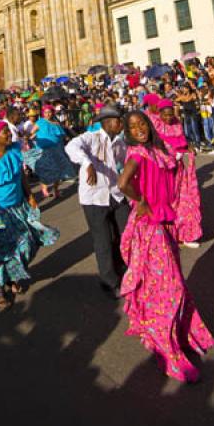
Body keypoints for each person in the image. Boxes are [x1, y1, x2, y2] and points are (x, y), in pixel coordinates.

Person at [117, 111, 214, 382]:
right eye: (133, 126)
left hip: (166, 221)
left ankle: (178, 335)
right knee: (170, 287)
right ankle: (168, 353)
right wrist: (142, 202)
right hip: (151, 227)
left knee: (164, 285)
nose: (139, 129)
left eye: (142, 124)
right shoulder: (137, 153)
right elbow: (122, 183)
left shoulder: (157, 150)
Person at [0, 122, 59, 310]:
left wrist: (30, 196)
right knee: (1, 252)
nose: (9, 135)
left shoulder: (14, 154)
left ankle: (11, 276)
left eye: (9, 132)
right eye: (5, 133)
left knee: (26, 244)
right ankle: (2, 287)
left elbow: (21, 177)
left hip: (18, 208)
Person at [65, 104, 130, 299]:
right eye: (119, 121)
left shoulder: (120, 141)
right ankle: (109, 281)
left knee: (125, 233)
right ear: (109, 122)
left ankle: (125, 268)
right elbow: (71, 147)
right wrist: (87, 163)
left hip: (116, 194)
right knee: (103, 240)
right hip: (94, 197)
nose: (122, 124)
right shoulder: (91, 137)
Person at [152, 98, 202, 248]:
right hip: (162, 171)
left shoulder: (177, 124)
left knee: (183, 200)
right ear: (159, 113)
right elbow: (155, 148)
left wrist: (188, 148)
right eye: (165, 115)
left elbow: (182, 142)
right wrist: (171, 155)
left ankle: (185, 233)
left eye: (170, 114)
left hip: (178, 170)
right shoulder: (155, 127)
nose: (168, 118)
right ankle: (167, 236)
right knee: (165, 202)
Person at [23, 104, 75, 199]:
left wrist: (69, 139)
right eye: (46, 112)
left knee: (58, 171)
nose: (48, 114)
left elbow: (63, 136)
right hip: (45, 150)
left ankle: (56, 190)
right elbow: (31, 132)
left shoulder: (56, 123)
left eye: (50, 112)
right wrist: (27, 137)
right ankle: (44, 188)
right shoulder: (41, 122)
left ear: (53, 113)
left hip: (57, 150)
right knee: (46, 170)